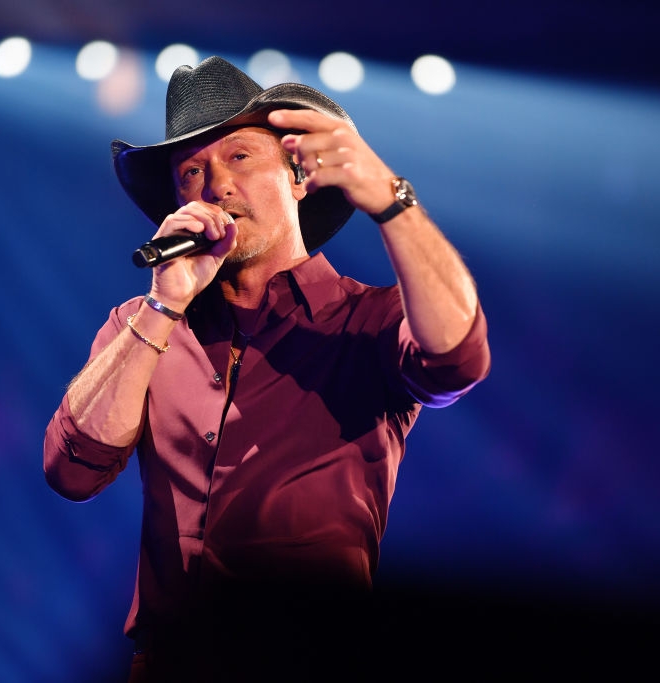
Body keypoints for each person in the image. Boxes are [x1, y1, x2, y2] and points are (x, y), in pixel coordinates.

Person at [43, 56, 491, 682]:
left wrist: (392, 202)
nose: (215, 185)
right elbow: (72, 468)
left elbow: (457, 358)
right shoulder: (141, 326)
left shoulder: (365, 321)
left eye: (240, 158)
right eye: (191, 171)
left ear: (298, 176)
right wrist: (165, 302)